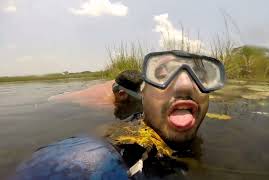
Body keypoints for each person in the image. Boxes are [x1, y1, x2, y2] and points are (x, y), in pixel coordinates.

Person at [10, 50, 225, 180]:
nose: (185, 84)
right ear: (143, 96)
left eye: (201, 76)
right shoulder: (93, 159)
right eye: (162, 75)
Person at [49, 70, 143, 120]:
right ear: (122, 94)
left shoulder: (119, 83)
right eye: (138, 97)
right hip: (54, 100)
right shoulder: (103, 105)